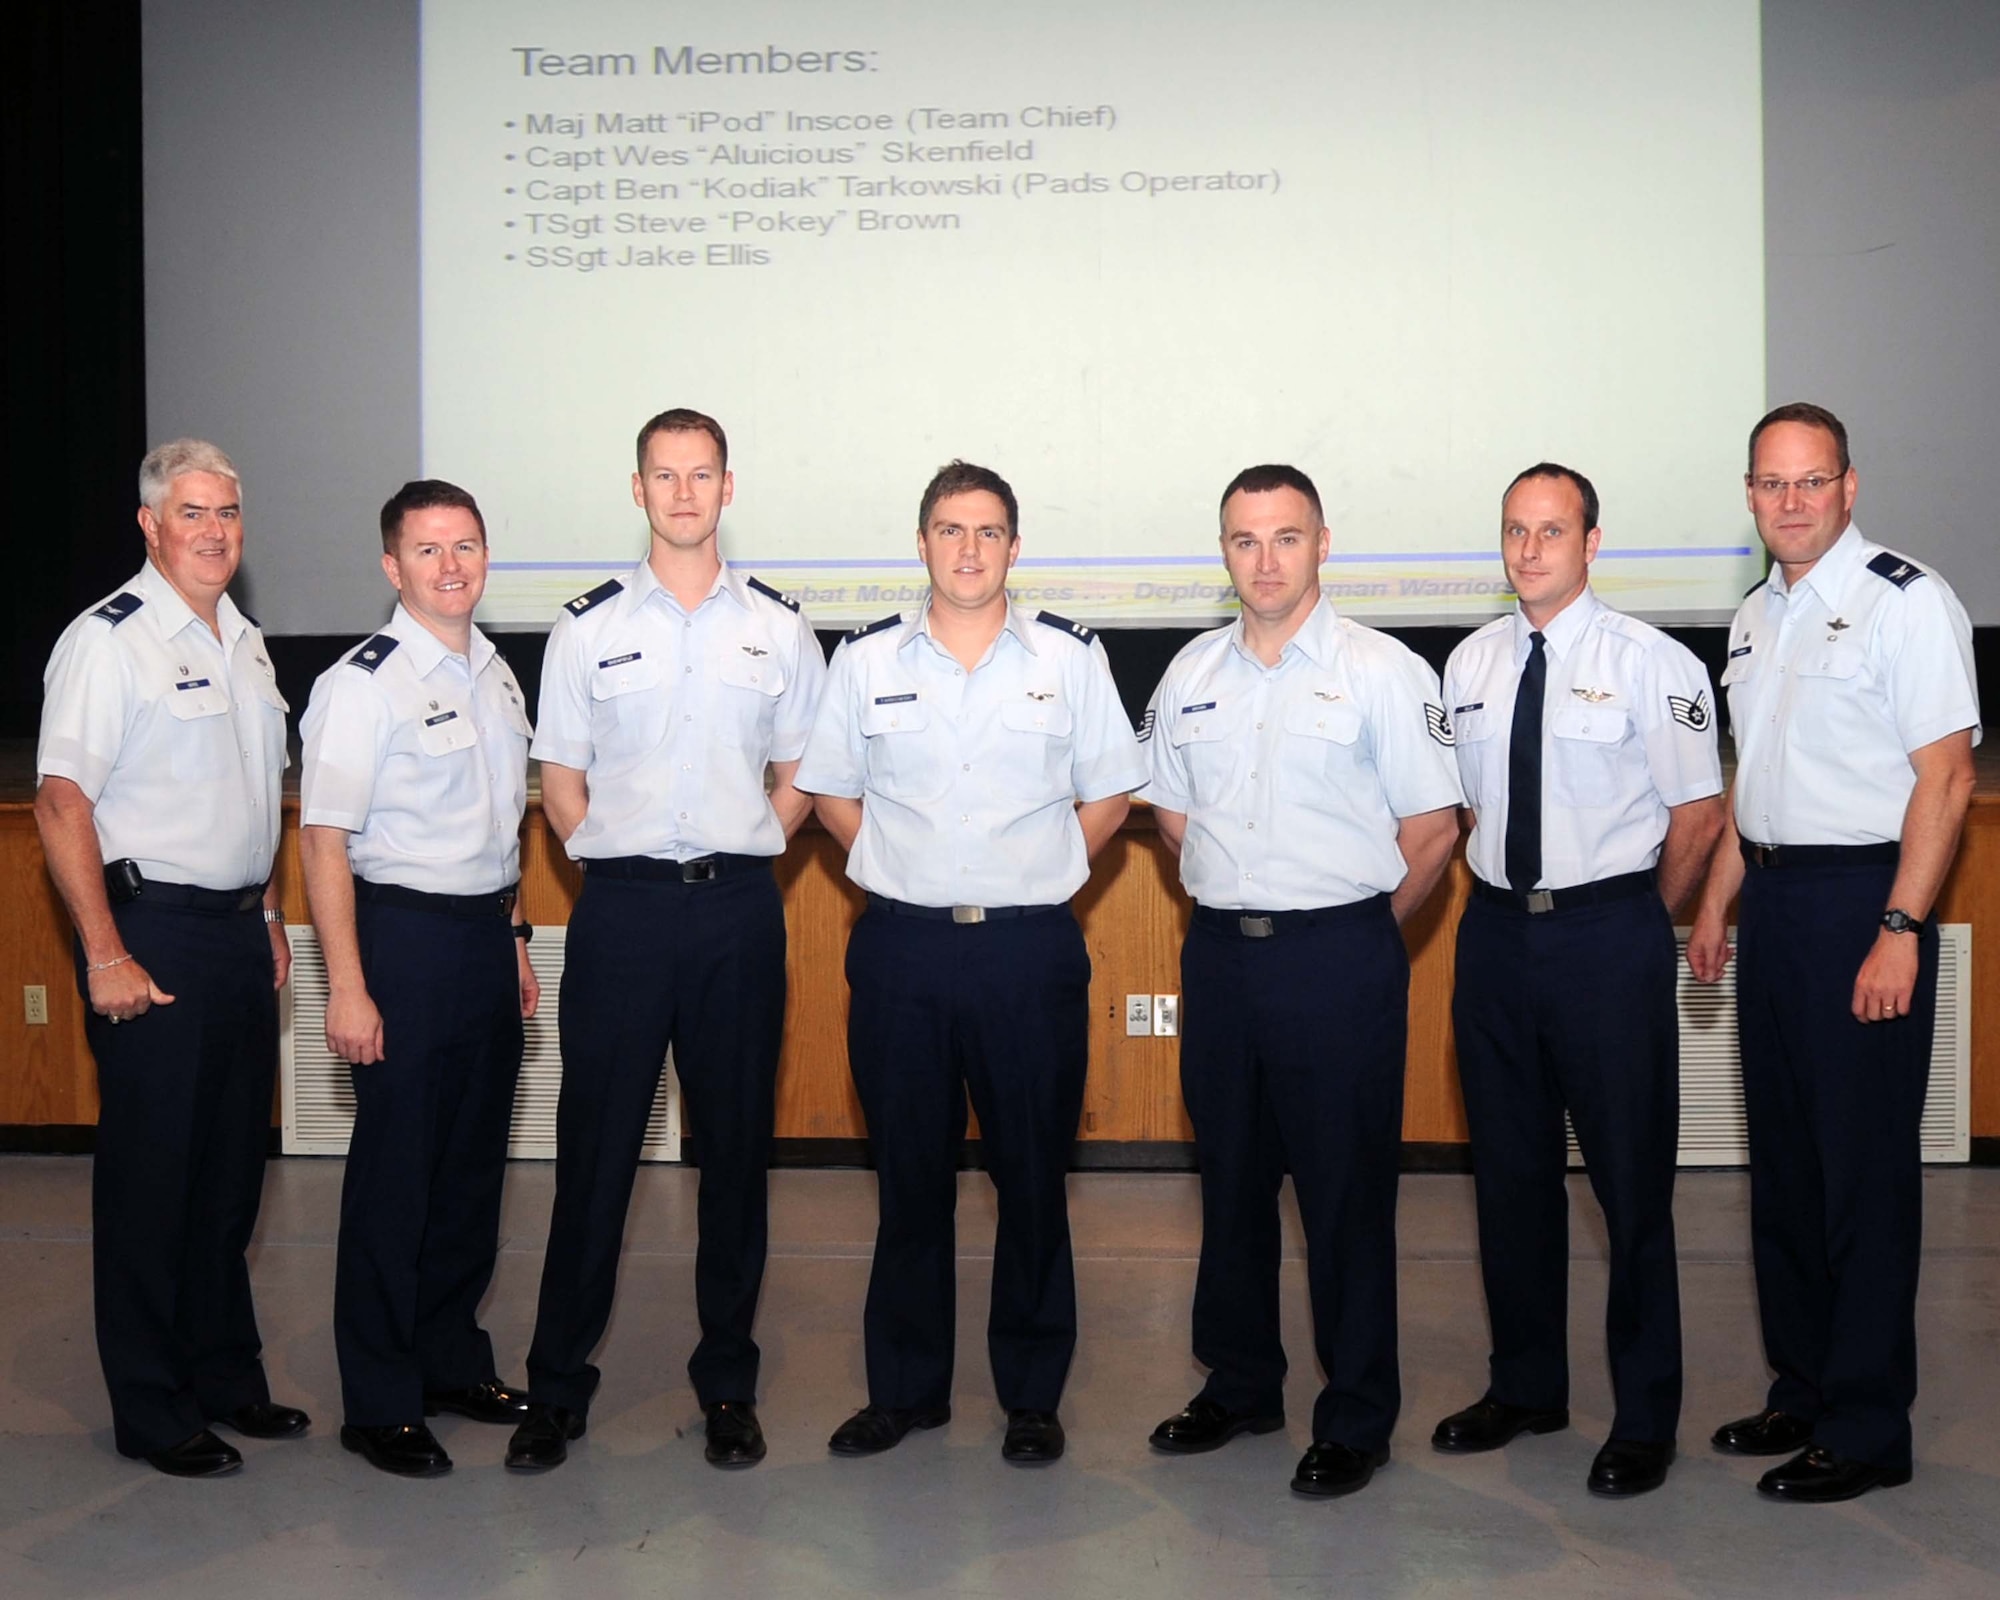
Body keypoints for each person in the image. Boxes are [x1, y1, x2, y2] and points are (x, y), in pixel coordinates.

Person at [795, 460, 1146, 1466]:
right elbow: (828, 789)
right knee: (908, 1178)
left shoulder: (1068, 659)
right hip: (901, 946)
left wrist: (1045, 870)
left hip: (1026, 949)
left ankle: (1031, 1394)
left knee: (1031, 1176)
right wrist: (891, 868)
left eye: (987, 531)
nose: (967, 548)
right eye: (948, 529)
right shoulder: (862, 661)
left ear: (1013, 548)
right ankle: (904, 1391)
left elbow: (1112, 791)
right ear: (921, 544)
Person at [506, 409, 826, 1472]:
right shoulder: (585, 629)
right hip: (624, 914)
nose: (682, 493)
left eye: (700, 475)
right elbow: (559, 775)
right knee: (593, 1157)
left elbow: (802, 775)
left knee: (734, 1157)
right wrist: (612, 853)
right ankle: (556, 1388)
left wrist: (747, 848)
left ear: (727, 487)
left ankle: (727, 1387)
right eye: (663, 475)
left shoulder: (778, 627)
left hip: (737, 911)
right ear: (636, 488)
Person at [1137, 463, 1461, 1498]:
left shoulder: (1383, 671)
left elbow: (1431, 831)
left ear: (1321, 542)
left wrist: (1361, 934)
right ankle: (1238, 1384)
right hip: (1223, 955)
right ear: (1222, 551)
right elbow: (1170, 814)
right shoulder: (1189, 672)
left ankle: (1355, 1412)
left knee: (1342, 1196)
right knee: (1227, 1182)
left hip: (1339, 958)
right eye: (1243, 540)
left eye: (1284, 537)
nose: (1263, 559)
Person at [1689, 402, 1979, 1503]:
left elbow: (1943, 779)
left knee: (1860, 1178)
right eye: (1771, 483)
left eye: (1810, 482)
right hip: (1770, 900)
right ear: (1750, 495)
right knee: (1787, 1174)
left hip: (1864, 899)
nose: (1790, 501)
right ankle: (1802, 1387)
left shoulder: (1905, 602)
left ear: (1847, 487)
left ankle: (1865, 1428)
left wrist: (1898, 930)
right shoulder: (1755, 614)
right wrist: (1717, 900)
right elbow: (1748, 777)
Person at [1432, 463, 1723, 1496]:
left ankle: (1644, 1416)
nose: (1527, 550)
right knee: (1507, 1179)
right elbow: (1466, 813)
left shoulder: (1653, 664)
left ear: (1591, 543)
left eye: (1550, 531)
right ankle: (1525, 1385)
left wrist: (1646, 916)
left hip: (1606, 936)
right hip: (1496, 938)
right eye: (1513, 530)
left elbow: (1695, 818)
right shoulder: (1465, 663)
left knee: (1628, 1188)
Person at [34, 439, 307, 1477]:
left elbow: (251, 792)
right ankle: (151, 1406)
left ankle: (224, 1376)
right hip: (150, 936)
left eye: (229, 512)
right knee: (155, 1183)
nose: (215, 530)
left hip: (238, 933)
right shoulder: (110, 642)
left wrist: (274, 911)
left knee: (230, 1176)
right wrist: (102, 950)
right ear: (150, 523)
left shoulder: (242, 637)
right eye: (193, 512)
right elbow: (63, 802)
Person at [299, 479, 539, 1476]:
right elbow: (323, 843)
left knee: (469, 1174)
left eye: (467, 545)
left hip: (483, 940)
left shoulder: (495, 671)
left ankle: (449, 1361)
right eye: (429, 549)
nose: (452, 565)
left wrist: (518, 934)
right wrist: (346, 987)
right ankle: (379, 1397)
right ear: (393, 566)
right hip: (399, 941)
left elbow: (503, 824)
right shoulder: (362, 683)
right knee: (397, 1178)